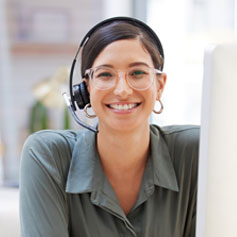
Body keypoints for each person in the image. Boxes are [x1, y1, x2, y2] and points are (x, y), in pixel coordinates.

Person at [20, 17, 199, 237]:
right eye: (105, 74)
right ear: (86, 90)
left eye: (137, 73)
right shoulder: (47, 156)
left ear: (159, 86)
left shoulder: (196, 152)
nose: (122, 90)